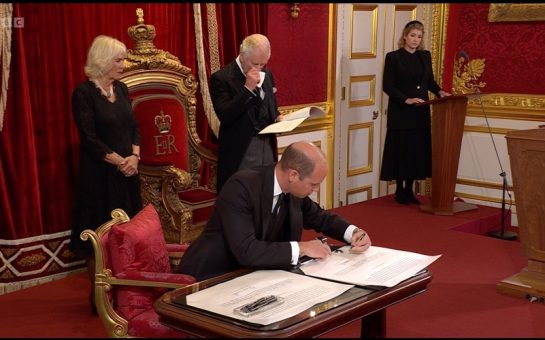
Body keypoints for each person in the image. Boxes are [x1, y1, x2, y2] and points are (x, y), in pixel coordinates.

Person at [177, 141, 372, 281]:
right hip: (213, 277)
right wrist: (302, 247)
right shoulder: (241, 187)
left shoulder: (294, 190)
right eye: (314, 184)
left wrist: (353, 232)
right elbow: (246, 250)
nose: (316, 190)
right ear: (293, 175)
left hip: (256, 274)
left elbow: (320, 217)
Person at [69, 35, 142, 313]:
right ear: (101, 61)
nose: (123, 64)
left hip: (128, 175)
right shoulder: (83, 94)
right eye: (118, 60)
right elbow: (89, 138)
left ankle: (126, 291)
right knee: (98, 237)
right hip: (99, 178)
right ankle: (99, 297)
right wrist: (120, 161)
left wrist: (134, 157)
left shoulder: (122, 89)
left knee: (126, 235)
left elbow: (135, 126)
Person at [380, 20, 451, 205]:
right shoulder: (393, 57)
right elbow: (388, 85)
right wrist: (406, 99)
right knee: (402, 150)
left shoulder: (424, 56)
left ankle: (409, 190)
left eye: (419, 37)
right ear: (405, 36)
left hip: (420, 111)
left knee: (416, 151)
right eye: (412, 36)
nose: (415, 40)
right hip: (402, 111)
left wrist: (440, 91)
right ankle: (400, 190)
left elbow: (430, 81)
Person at [210, 33, 283, 193]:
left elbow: (270, 106)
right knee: (243, 196)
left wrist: (278, 117)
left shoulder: (268, 74)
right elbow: (225, 115)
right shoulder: (221, 78)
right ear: (242, 56)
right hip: (242, 148)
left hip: (267, 144)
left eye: (263, 64)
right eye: (255, 64)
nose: (259, 69)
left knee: (266, 193)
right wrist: (247, 89)